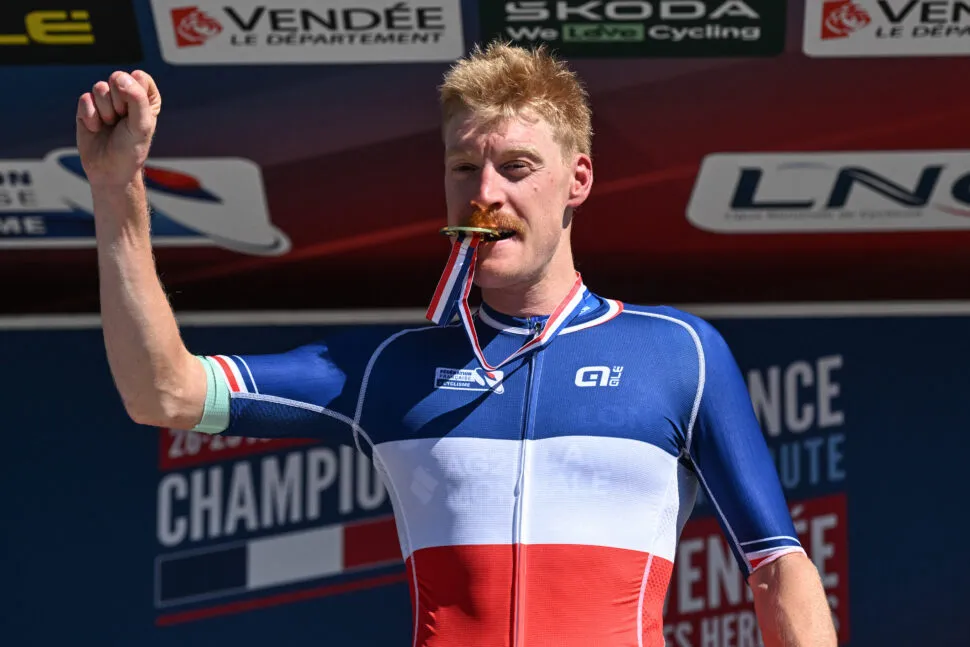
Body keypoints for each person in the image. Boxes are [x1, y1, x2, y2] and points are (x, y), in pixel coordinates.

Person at [77, 41, 837, 647]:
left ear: (578, 179)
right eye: (465, 166)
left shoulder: (678, 354)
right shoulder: (384, 369)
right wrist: (118, 191)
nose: (487, 193)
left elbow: (777, 568)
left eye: (516, 167)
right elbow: (164, 392)